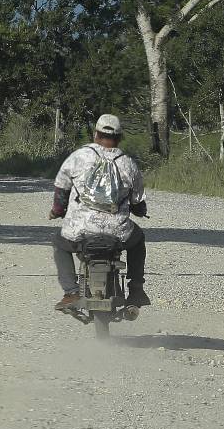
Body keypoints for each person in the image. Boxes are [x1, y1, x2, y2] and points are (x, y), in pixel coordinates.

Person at [49, 114, 149, 310]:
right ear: (120, 137)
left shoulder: (78, 157)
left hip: (80, 231)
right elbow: (138, 200)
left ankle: (71, 292)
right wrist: (139, 210)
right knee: (138, 238)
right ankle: (136, 289)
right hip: (117, 233)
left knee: (58, 242)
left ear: (96, 134)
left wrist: (57, 210)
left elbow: (61, 189)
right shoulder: (128, 163)